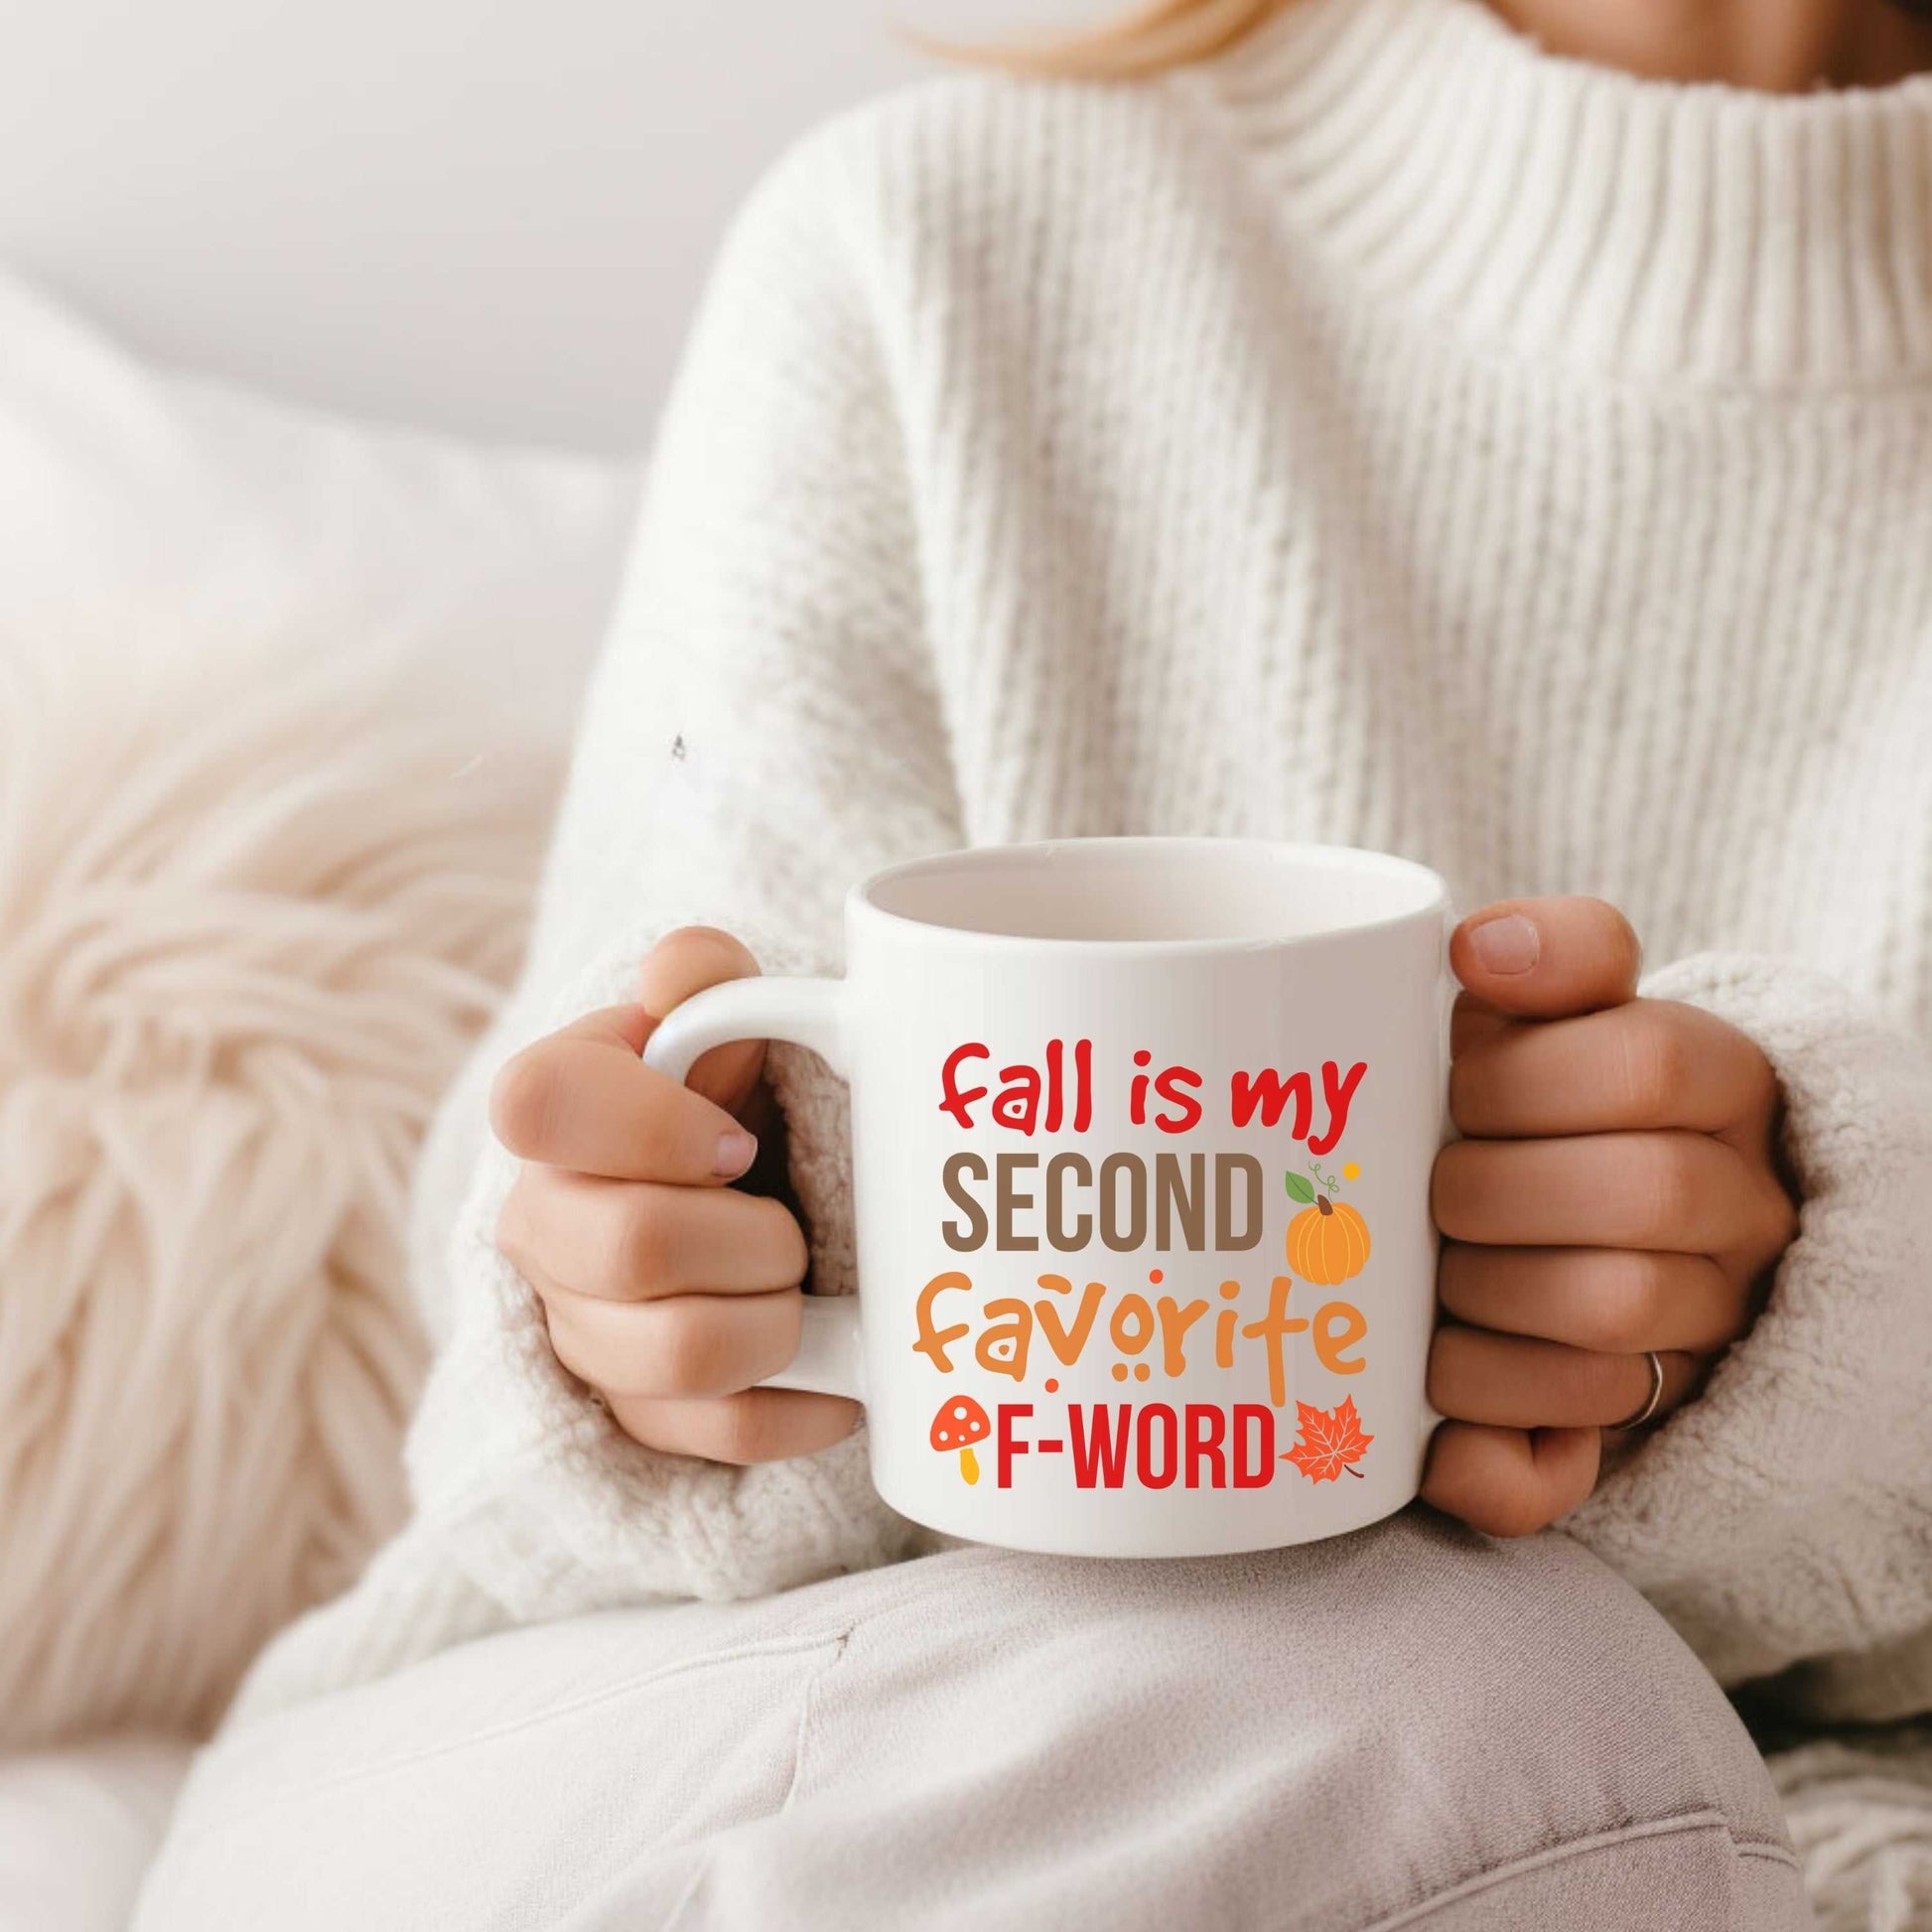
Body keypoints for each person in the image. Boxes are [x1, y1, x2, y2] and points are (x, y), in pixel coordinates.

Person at [135, 0, 1932, 1924]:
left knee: (1530, 1738)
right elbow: (519, 1379)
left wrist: (1841, 1286)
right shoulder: (930, 253)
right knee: (1485, 1707)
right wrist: (646, 1332)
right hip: (660, 1747)